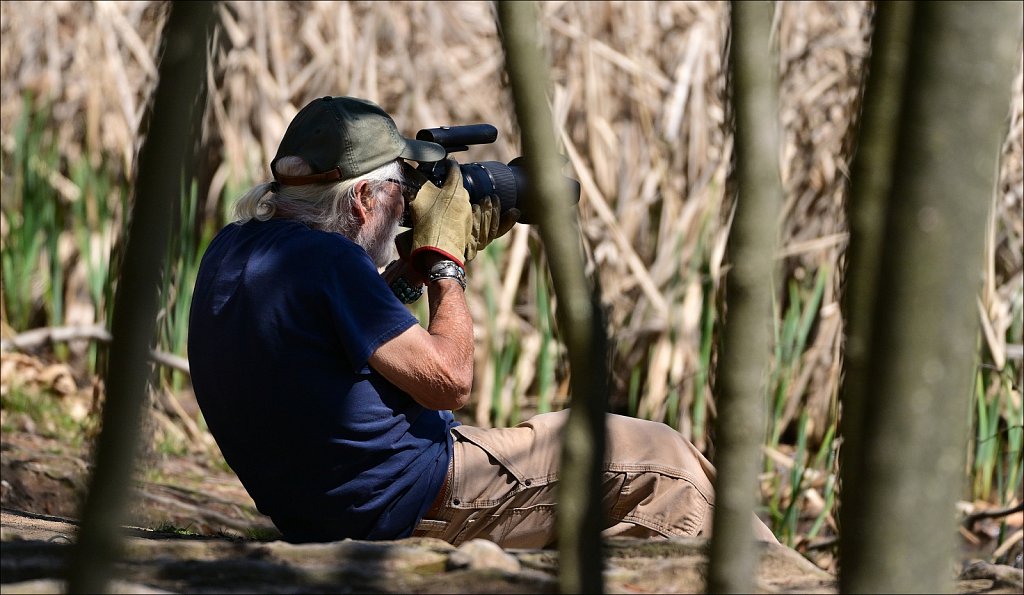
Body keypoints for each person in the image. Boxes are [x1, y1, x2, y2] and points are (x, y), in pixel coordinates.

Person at [188, 95, 778, 547]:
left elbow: (334, 336)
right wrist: (446, 264)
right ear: (364, 201)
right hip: (407, 499)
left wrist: (409, 272)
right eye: (400, 187)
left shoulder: (241, 249)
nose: (406, 203)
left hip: (324, 504)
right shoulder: (331, 261)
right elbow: (450, 380)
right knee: (664, 465)